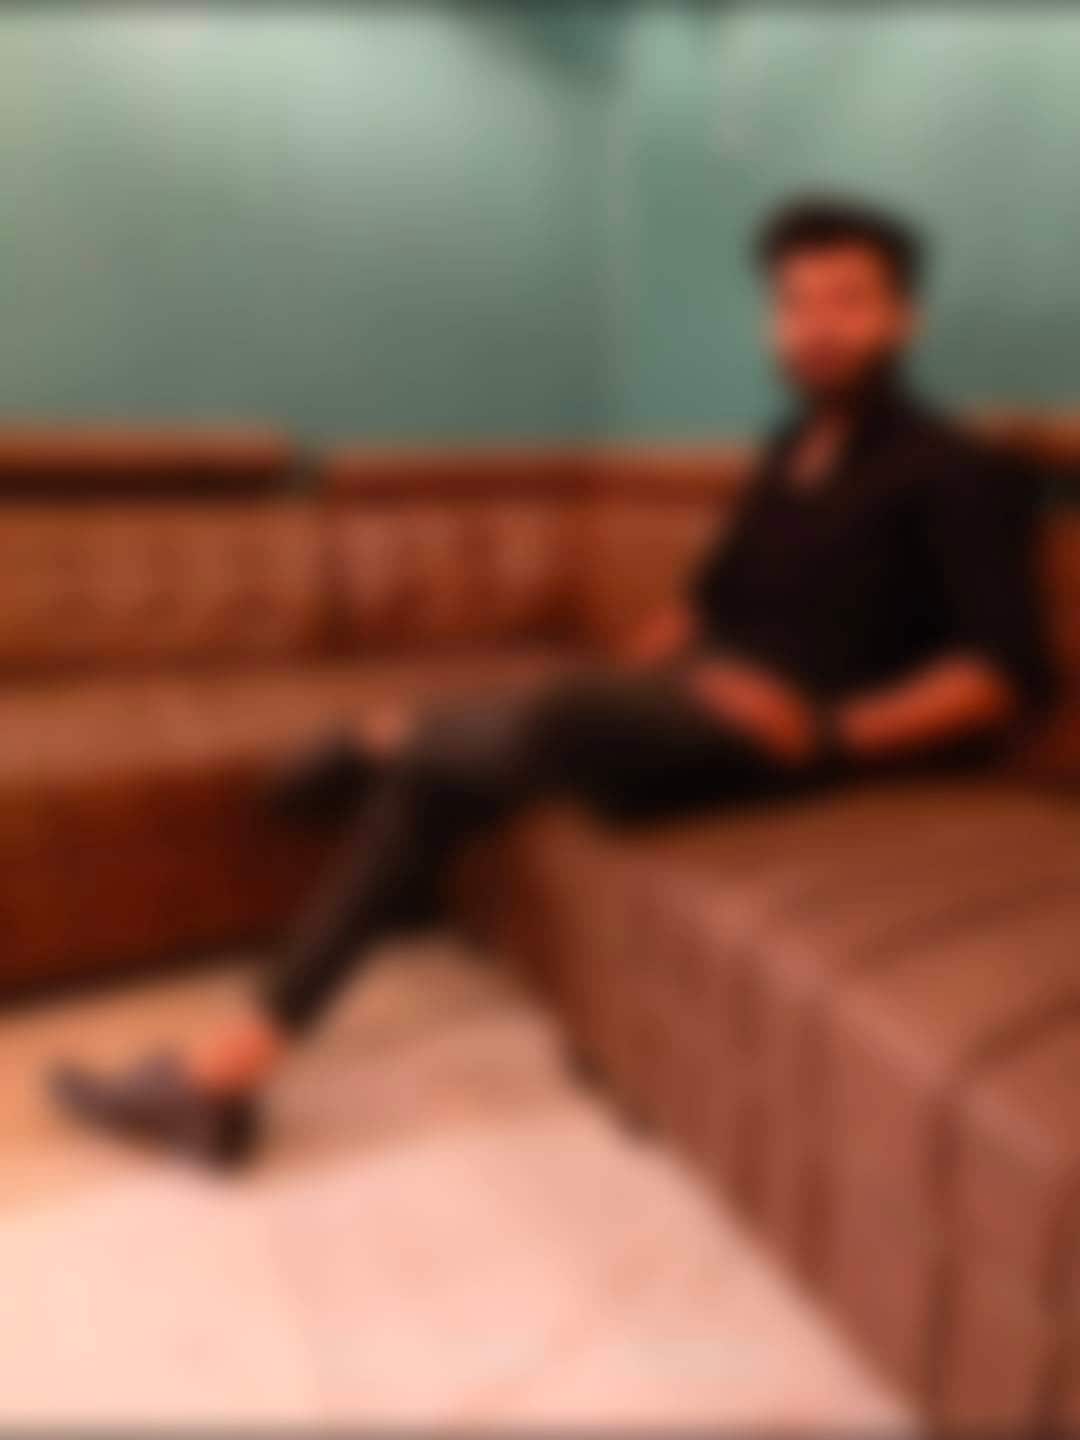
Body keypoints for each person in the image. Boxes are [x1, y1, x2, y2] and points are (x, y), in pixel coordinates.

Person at [49, 195, 1052, 1166]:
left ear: (902, 318)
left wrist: (833, 731)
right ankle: (228, 1072)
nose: (817, 326)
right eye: (796, 303)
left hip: (794, 740)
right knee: (453, 772)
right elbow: (702, 605)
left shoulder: (955, 469)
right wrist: (613, 694)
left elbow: (1005, 671)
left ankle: (380, 736)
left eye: (848, 301)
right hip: (690, 707)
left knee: (522, 725)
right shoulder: (786, 451)